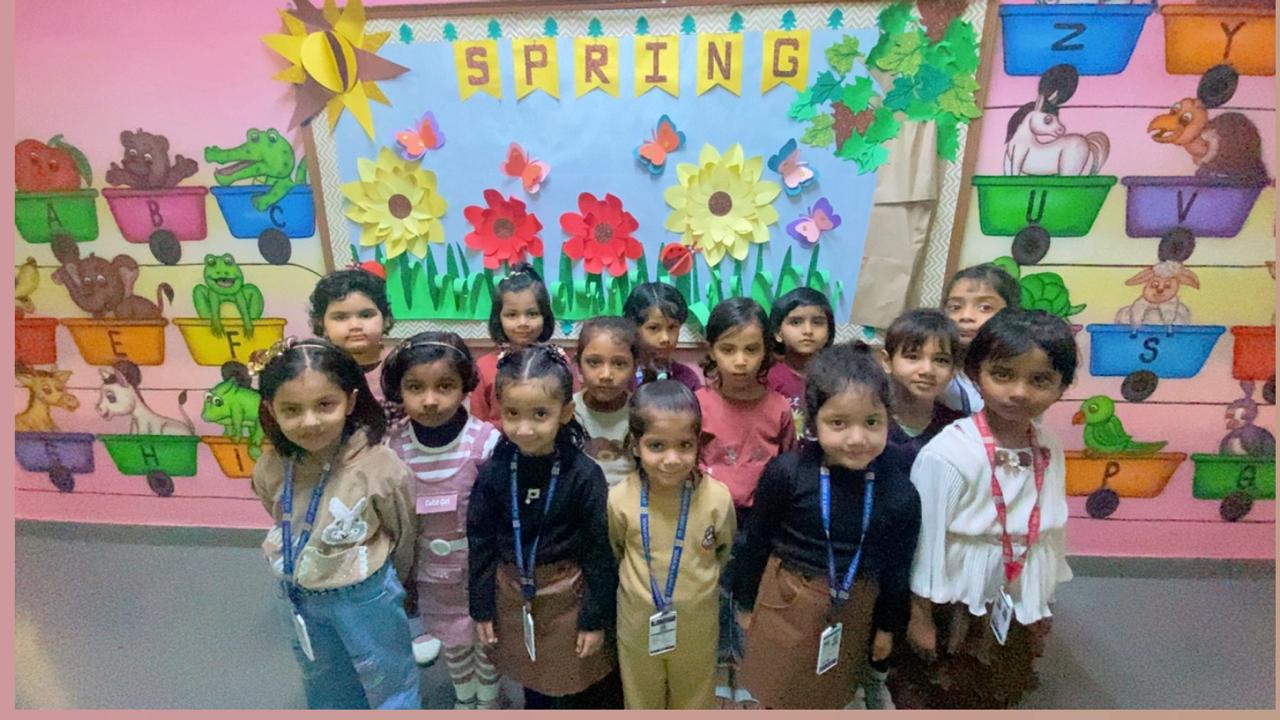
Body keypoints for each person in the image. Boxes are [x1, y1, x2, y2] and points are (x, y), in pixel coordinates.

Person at [894, 309, 1077, 709]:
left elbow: (1049, 528)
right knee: (943, 689)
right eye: (1003, 375)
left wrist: (1041, 599)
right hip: (955, 598)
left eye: (1040, 380)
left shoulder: (1049, 446)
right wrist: (919, 615)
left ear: (1062, 386)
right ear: (976, 373)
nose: (1019, 392)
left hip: (1014, 592)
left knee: (999, 687)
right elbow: (923, 543)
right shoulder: (948, 452)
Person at [729, 342, 921, 709]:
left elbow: (897, 569)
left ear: (888, 419)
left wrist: (887, 627)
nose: (856, 438)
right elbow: (757, 540)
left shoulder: (900, 493)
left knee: (829, 695)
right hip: (785, 595)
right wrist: (745, 602)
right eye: (838, 423)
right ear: (814, 421)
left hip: (854, 604)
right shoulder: (786, 474)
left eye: (871, 422)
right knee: (774, 688)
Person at [249, 338, 419, 709]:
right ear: (271, 410)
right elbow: (279, 515)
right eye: (291, 409)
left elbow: (402, 532)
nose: (310, 422)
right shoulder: (271, 466)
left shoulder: (380, 466)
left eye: (325, 405)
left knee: (388, 677)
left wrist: (402, 584)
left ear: (350, 402)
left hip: (365, 596)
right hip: (298, 593)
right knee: (323, 680)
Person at [466, 346, 621, 708]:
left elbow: (599, 551)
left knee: (578, 684)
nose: (524, 428)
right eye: (512, 413)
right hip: (513, 594)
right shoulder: (495, 470)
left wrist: (594, 619)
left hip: (569, 596)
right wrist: (482, 606)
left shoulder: (584, 475)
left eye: (540, 414)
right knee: (532, 680)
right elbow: (481, 542)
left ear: (564, 412)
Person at [381, 331, 502, 708]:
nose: (430, 400)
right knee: (452, 640)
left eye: (445, 386)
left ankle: (489, 700)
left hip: (480, 569)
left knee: (487, 639)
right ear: (399, 390)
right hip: (430, 573)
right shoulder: (395, 446)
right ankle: (464, 698)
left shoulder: (485, 441)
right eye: (415, 387)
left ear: (465, 385)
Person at [607, 380, 735, 708]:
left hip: (697, 625)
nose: (672, 459)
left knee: (695, 697)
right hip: (638, 624)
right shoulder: (620, 499)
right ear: (636, 445)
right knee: (640, 697)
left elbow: (723, 552)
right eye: (657, 446)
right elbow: (617, 550)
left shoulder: (717, 499)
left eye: (685, 445)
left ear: (698, 443)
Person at [694, 297, 796, 707]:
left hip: (761, 522)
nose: (740, 361)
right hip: (710, 518)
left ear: (767, 351)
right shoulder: (698, 404)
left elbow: (788, 465)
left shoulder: (779, 408)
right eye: (728, 349)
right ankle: (720, 662)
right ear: (711, 350)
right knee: (715, 591)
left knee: (752, 593)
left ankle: (748, 665)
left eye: (751, 350)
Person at [470, 263, 557, 425]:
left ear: (545, 316)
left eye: (532, 314)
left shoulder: (558, 362)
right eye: (512, 315)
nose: (523, 323)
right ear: (498, 318)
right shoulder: (484, 367)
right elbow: (477, 422)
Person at [939, 264, 1021, 415]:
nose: (966, 316)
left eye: (985, 307)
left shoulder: (1022, 371)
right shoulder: (933, 370)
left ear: (1011, 314)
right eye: (955, 307)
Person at [308, 268, 394, 404]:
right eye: (340, 317)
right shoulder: (312, 371)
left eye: (366, 315)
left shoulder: (401, 366)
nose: (355, 325)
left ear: (386, 319)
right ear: (321, 324)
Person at [574, 316, 640, 488]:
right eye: (594, 362)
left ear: (635, 367)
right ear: (578, 365)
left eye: (619, 364)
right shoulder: (566, 413)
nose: (606, 375)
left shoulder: (642, 413)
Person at [766, 287, 835, 439]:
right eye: (796, 322)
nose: (808, 330)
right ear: (778, 333)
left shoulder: (838, 377)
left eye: (817, 323)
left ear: (829, 331)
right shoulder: (769, 379)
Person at [623, 281, 702, 391]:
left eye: (672, 327)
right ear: (634, 328)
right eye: (653, 328)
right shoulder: (622, 377)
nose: (665, 338)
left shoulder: (687, 379)